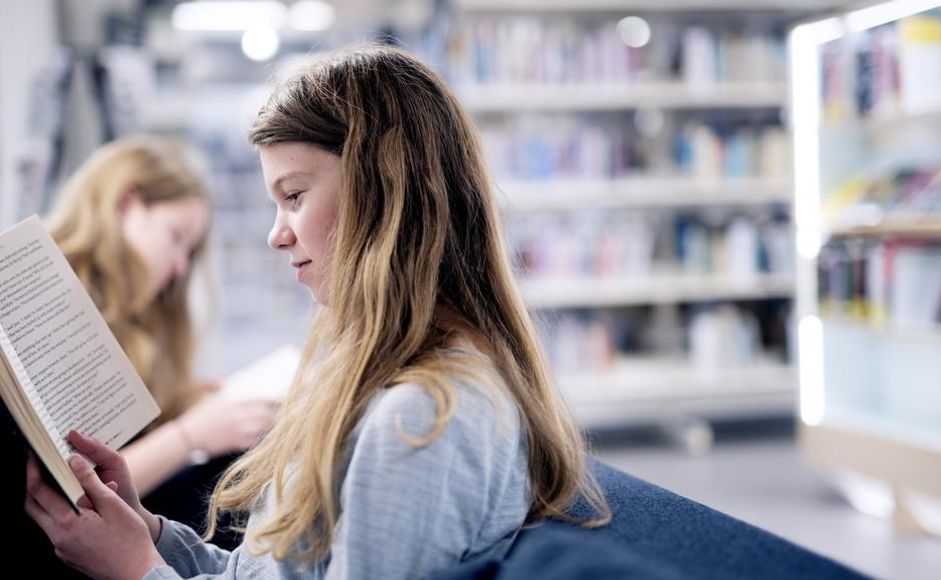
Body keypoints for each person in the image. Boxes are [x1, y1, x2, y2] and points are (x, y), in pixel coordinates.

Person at [24, 45, 609, 580]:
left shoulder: (419, 422)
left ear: (380, 191)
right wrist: (147, 535)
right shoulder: (375, 379)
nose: (277, 235)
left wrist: (135, 570)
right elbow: (264, 573)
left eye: (294, 197)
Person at [10, 136, 277, 576]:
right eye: (176, 238)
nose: (178, 269)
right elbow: (71, 484)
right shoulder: (51, 311)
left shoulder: (137, 320)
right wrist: (190, 433)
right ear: (125, 205)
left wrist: (190, 401)